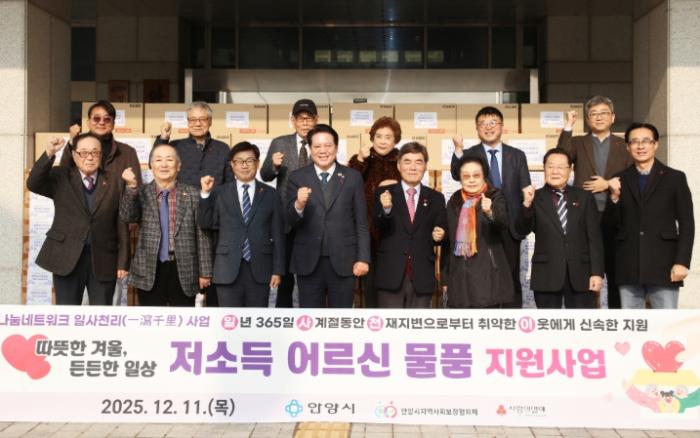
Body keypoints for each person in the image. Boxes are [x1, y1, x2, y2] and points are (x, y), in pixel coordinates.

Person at [27, 133, 130, 305]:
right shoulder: (61, 176)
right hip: (66, 255)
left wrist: (123, 261)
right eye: (83, 152)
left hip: (104, 258)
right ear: (74, 156)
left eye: (95, 152)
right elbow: (33, 183)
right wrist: (50, 152)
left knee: (101, 313)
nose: (89, 157)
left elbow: (121, 222)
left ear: (101, 156)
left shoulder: (115, 181)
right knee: (67, 311)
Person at [606, 122, 694, 309]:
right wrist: (614, 197)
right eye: (635, 142)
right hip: (628, 265)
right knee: (631, 324)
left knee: (666, 323)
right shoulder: (619, 178)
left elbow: (687, 224)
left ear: (656, 144)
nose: (640, 146)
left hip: (664, 265)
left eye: (646, 141)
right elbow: (610, 225)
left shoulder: (675, 178)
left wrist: (682, 262)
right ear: (628, 147)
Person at [451, 106, 532, 307]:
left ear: (502, 126)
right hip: (481, 226)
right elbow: (455, 173)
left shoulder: (517, 155)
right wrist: (458, 150)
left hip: (509, 227)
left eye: (493, 123)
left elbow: (525, 187)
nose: (488, 127)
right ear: (477, 128)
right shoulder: (470, 153)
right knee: (483, 277)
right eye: (483, 124)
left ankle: (512, 320)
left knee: (511, 278)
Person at [155, 100, 233, 307]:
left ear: (210, 121)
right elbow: (158, 161)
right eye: (192, 120)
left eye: (202, 119)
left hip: (213, 224)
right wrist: (163, 138)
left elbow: (229, 187)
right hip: (181, 223)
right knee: (183, 284)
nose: (197, 123)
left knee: (214, 284)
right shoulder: (176, 146)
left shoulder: (222, 149)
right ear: (187, 122)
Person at [557, 95, 632, 308]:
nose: (599, 117)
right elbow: (561, 156)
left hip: (614, 215)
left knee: (615, 268)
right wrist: (568, 126)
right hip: (583, 215)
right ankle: (589, 315)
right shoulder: (578, 142)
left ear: (613, 117)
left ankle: (616, 316)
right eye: (594, 114)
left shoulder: (624, 145)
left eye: (604, 113)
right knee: (586, 269)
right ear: (588, 119)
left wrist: (607, 184)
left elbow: (632, 176)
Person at [286, 124, 370, 308]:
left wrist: (363, 258)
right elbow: (289, 221)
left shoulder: (352, 177)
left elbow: (361, 222)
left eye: (328, 145)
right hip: (308, 261)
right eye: (317, 146)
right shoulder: (297, 177)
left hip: (345, 261)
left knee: (340, 317)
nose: (323, 151)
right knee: (309, 317)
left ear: (336, 147)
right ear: (310, 149)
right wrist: (298, 205)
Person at [119, 144, 213, 306]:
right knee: (152, 319)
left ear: (178, 166)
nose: (164, 164)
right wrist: (131, 187)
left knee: (182, 319)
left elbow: (202, 234)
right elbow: (128, 216)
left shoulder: (192, 194)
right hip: (149, 267)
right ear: (151, 166)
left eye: (169, 160)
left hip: (184, 267)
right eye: (158, 160)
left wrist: (205, 271)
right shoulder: (141, 193)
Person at [199, 142, 284, 307]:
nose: (244, 165)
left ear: (257, 163)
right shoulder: (219, 192)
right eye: (239, 161)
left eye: (250, 161)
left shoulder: (271, 194)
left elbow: (278, 234)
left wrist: (277, 270)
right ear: (232, 165)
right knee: (229, 319)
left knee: (255, 319)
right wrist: (205, 195)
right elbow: (205, 223)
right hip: (227, 267)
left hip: (261, 268)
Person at [516, 148, 604, 309]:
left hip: (581, 274)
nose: (555, 171)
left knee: (581, 322)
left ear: (570, 170)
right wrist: (527, 204)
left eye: (561, 167)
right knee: (548, 323)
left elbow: (594, 238)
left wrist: (597, 273)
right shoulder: (535, 198)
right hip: (546, 274)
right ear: (544, 169)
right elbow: (522, 230)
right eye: (550, 166)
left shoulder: (584, 197)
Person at [373, 142, 446, 308]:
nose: (413, 167)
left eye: (418, 162)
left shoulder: (436, 198)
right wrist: (387, 209)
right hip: (390, 274)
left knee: (419, 324)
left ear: (425, 166)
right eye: (407, 162)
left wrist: (440, 234)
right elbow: (378, 227)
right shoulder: (384, 192)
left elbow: (441, 231)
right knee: (389, 324)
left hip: (422, 276)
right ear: (399, 165)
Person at [261, 99, 319, 307]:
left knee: (311, 274)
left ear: (316, 120)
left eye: (309, 118)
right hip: (285, 219)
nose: (305, 123)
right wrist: (274, 166)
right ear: (293, 120)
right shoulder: (280, 143)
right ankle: (284, 314)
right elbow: (265, 175)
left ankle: (310, 314)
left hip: (313, 217)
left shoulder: (321, 143)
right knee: (284, 274)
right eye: (300, 118)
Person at [443, 155, 513, 308]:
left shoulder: (495, 196)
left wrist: (490, 213)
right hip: (460, 276)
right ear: (460, 179)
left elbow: (503, 224)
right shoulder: (454, 200)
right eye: (466, 176)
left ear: (484, 176)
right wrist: (445, 278)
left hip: (488, 273)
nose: (471, 180)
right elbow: (449, 242)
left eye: (476, 175)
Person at [348, 116, 402, 307]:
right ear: (372, 138)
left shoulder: (402, 160)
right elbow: (348, 184)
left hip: (395, 227)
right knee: (369, 283)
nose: (382, 141)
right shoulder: (362, 159)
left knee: (394, 281)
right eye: (378, 136)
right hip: (367, 230)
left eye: (388, 137)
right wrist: (359, 159)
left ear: (396, 140)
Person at [64, 100, 142, 185]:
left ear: (113, 124)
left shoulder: (128, 152)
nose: (101, 122)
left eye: (107, 119)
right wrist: (72, 142)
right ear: (88, 122)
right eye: (96, 118)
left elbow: (137, 186)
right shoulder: (75, 147)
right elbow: (62, 176)